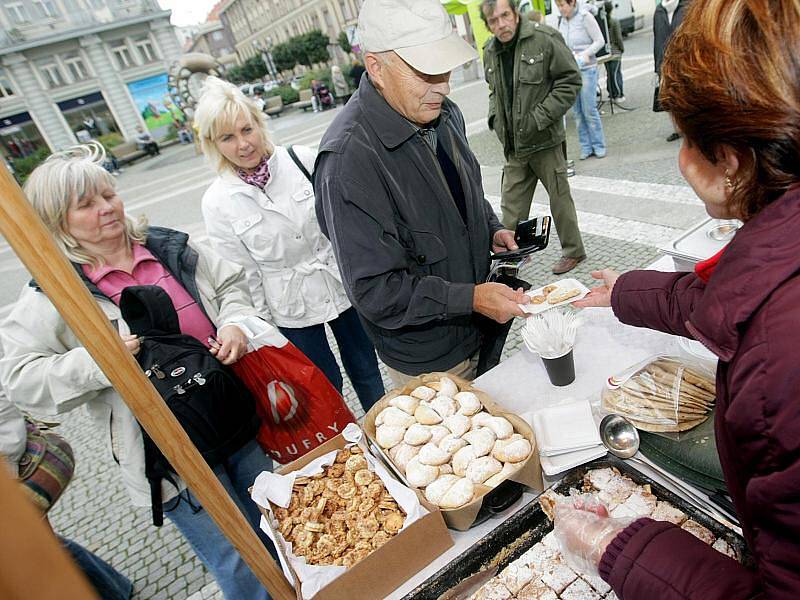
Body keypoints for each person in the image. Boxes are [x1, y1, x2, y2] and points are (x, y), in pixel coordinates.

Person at [560, 1, 800, 596]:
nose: (681, 158)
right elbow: (729, 300)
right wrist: (624, 293)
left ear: (735, 162)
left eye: (690, 137)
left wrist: (622, 549)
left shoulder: (776, 371)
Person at [0, 143, 274, 600]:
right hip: (167, 453)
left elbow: (230, 285)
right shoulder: (54, 293)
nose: (106, 208)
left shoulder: (168, 247)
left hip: (235, 422)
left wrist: (234, 322)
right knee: (239, 561)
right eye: (85, 204)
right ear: (57, 221)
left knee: (279, 522)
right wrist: (98, 362)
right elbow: (20, 377)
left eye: (108, 194)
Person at [315, 0, 530, 387]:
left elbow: (465, 191)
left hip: (478, 328)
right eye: (426, 72)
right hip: (430, 359)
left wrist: (490, 229)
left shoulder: (442, 111)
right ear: (376, 68)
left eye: (444, 67)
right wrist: (471, 298)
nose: (444, 86)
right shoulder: (348, 161)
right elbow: (376, 291)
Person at [194, 77, 385, 412]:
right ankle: (345, 449)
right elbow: (242, 274)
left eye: (247, 129)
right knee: (322, 384)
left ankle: (383, 429)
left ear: (259, 124)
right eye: (228, 137)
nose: (243, 144)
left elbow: (345, 220)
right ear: (213, 143)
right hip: (287, 304)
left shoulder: (302, 160)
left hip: (339, 282)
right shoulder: (217, 201)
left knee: (367, 368)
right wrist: (264, 331)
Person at [481, 0, 586, 276]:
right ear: (488, 25)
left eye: (505, 16)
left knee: (560, 199)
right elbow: (494, 91)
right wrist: (495, 118)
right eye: (493, 21)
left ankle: (573, 251)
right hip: (515, 147)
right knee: (510, 210)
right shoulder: (490, 51)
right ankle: (511, 260)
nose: (501, 24)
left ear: (515, 13)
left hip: (545, 140)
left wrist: (540, 117)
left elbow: (570, 81)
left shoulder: (544, 39)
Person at [0, 385, 134, 600]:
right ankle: (114, 589)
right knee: (41, 543)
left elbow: (4, 411)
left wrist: (7, 476)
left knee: (36, 545)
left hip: (13, 472)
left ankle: (113, 591)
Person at [555, 0, 607, 160]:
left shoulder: (585, 17)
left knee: (589, 110)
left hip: (586, 68)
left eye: (563, 5)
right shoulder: (561, 20)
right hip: (570, 71)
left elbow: (600, 41)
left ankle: (598, 145)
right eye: (558, 6)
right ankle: (586, 147)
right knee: (577, 111)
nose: (561, 9)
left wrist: (585, 54)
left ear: (572, 3)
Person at [654, 0, 688, 142]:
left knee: (686, 95)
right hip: (664, 61)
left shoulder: (687, 7)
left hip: (684, 61)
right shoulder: (659, 12)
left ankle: (690, 126)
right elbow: (657, 39)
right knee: (670, 98)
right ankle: (677, 129)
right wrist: (657, 65)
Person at [603, 0, 624, 104]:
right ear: (611, 9)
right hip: (615, 52)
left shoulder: (603, 22)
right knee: (616, 73)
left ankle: (611, 93)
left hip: (606, 53)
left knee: (609, 74)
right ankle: (618, 94)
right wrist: (622, 48)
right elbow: (618, 38)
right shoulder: (614, 21)